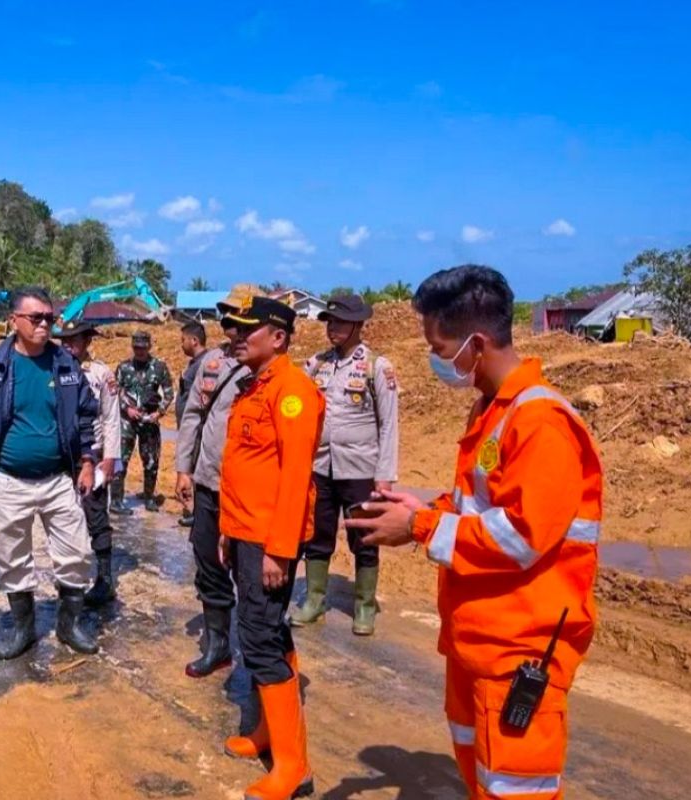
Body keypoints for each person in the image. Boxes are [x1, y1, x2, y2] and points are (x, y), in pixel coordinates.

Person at [345, 265, 602, 800]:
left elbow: (522, 537)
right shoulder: (490, 411)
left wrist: (418, 525)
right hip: (478, 643)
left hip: (519, 651)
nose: (437, 360)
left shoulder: (542, 424)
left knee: (514, 788)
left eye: (440, 347)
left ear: (476, 342)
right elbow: (479, 505)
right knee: (478, 775)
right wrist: (425, 506)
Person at [0, 287, 101, 659]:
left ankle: (68, 628)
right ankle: (24, 630)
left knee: (76, 554)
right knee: (13, 559)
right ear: (14, 321)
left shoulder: (65, 364)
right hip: (8, 481)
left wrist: (87, 461)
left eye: (49, 318)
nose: (44, 325)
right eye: (35, 318)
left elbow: (86, 413)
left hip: (57, 480)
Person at [217, 296, 324, 800]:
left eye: (245, 329)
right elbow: (242, 469)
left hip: (268, 540)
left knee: (258, 637)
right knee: (267, 633)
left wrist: (280, 551)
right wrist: (225, 528)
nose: (236, 336)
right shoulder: (252, 386)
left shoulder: (292, 392)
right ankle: (266, 733)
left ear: (277, 337)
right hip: (244, 532)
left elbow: (296, 478)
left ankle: (293, 768)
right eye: (232, 329)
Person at [291, 294, 399, 636]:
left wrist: (385, 475)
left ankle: (364, 606)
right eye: (329, 321)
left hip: (360, 469)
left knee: (364, 537)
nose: (331, 328)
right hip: (321, 466)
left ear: (357, 325)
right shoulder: (316, 365)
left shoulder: (376, 367)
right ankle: (315, 599)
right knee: (318, 535)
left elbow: (389, 424)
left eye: (338, 322)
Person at [174, 286, 254, 678]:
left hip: (251, 493)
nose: (233, 329)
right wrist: (183, 468)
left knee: (249, 571)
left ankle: (259, 649)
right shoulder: (211, 363)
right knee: (207, 559)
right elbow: (192, 416)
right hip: (208, 482)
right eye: (227, 321)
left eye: (241, 321)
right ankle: (219, 643)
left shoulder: (270, 367)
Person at [54, 320, 122, 607]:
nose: (68, 344)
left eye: (75, 339)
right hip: (60, 456)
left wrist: (109, 459)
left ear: (87, 341)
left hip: (91, 455)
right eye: (65, 339)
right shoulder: (52, 369)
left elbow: (110, 418)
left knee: (95, 514)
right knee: (63, 518)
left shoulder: (101, 374)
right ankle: (70, 578)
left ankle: (104, 580)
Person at [112, 330, 174, 514]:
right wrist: (127, 408)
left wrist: (159, 412)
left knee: (151, 461)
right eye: (136, 347)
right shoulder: (123, 367)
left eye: (142, 348)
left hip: (149, 420)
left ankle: (149, 498)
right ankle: (116, 501)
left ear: (149, 347)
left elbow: (169, 392)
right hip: (127, 421)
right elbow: (116, 391)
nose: (139, 351)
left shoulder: (159, 367)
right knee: (120, 460)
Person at [174, 320, 209, 527]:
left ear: (194, 341)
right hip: (190, 430)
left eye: (183, 340)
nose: (181, 344)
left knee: (194, 471)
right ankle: (191, 511)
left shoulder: (205, 365)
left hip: (198, 432)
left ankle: (195, 513)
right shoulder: (194, 364)